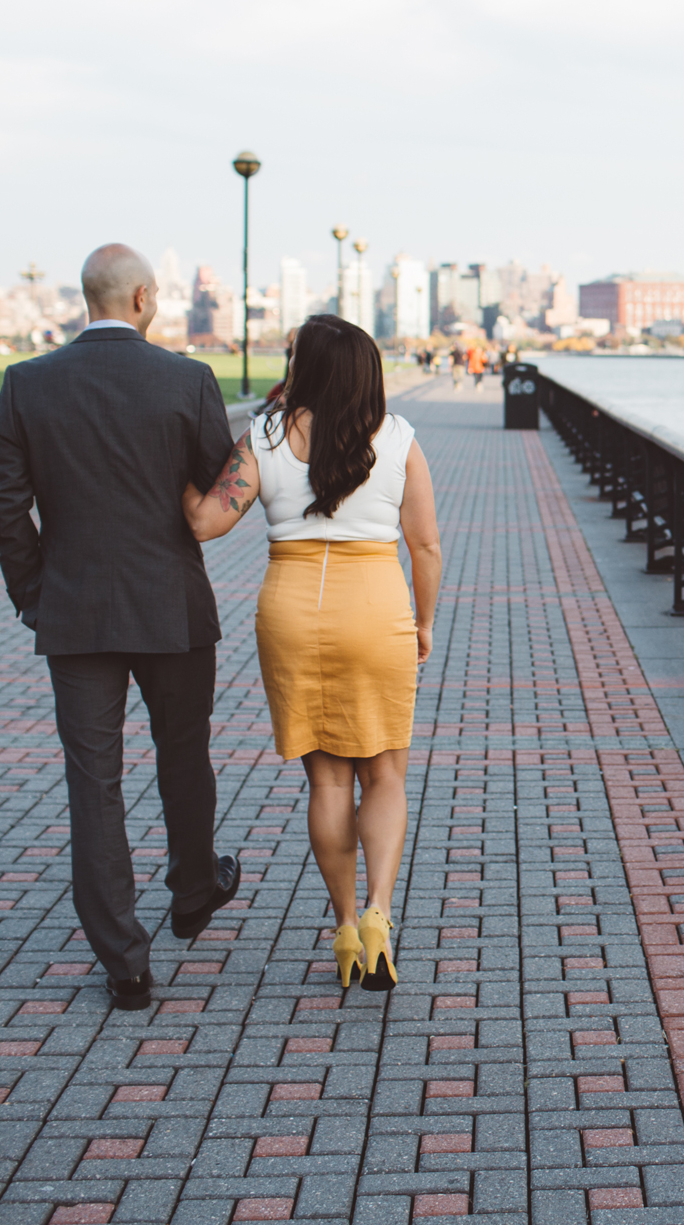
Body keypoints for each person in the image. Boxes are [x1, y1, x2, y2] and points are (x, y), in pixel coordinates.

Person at [0, 244, 242, 1012]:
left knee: (93, 785)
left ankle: (124, 962)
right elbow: (222, 481)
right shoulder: (187, 379)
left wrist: (36, 592)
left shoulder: (26, 384)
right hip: (173, 608)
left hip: (76, 612)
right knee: (184, 755)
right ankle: (194, 891)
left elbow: (5, 505)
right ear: (142, 298)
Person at [183, 315, 441, 992]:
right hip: (375, 605)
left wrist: (173, 469)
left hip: (292, 610)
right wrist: (424, 621)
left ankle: (348, 925)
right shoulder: (398, 436)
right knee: (384, 773)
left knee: (327, 780)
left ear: (308, 366)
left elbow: (205, 521)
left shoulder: (266, 435)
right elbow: (427, 546)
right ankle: (383, 914)